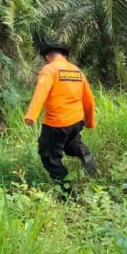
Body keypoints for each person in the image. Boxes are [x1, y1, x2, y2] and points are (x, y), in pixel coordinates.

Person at [24, 42, 98, 189]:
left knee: (49, 156)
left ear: (48, 56)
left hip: (57, 123)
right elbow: (89, 98)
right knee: (70, 144)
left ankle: (67, 191)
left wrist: (31, 115)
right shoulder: (77, 71)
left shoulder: (49, 69)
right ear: (64, 55)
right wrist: (90, 121)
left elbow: (41, 92)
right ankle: (87, 156)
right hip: (76, 121)